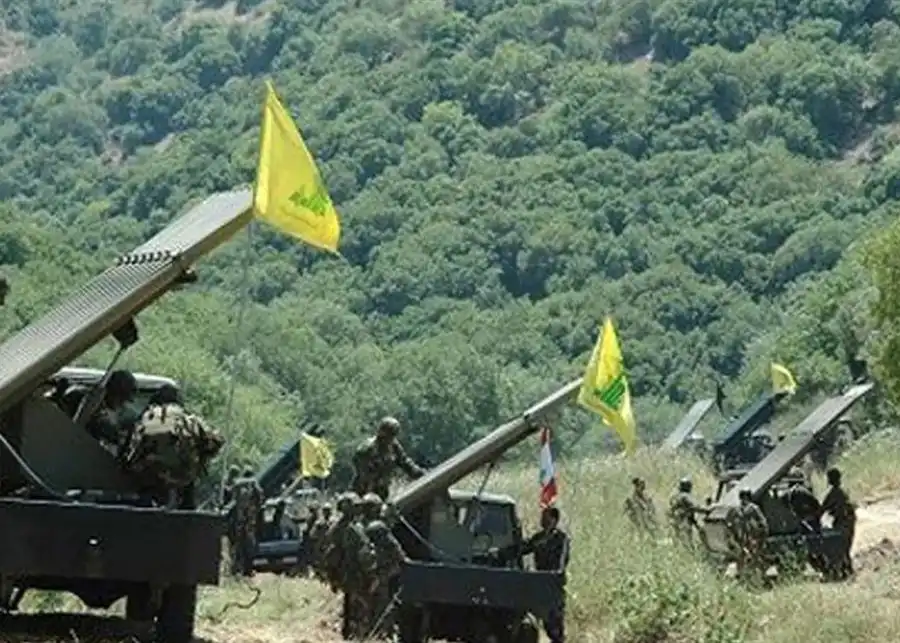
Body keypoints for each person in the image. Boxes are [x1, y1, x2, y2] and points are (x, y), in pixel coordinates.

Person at [123, 384, 224, 508]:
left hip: (151, 480)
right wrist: (200, 460)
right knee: (188, 492)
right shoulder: (188, 419)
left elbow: (130, 452)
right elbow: (215, 442)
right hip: (183, 480)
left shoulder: (145, 418)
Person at [495, 506, 569, 643]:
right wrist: (501, 553)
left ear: (554, 519)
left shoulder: (561, 539)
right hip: (538, 581)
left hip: (552, 584)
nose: (542, 520)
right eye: (542, 517)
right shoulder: (539, 537)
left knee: (554, 626)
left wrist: (554, 575)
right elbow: (524, 548)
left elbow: (562, 562)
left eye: (545, 517)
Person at [322, 493, 378, 639]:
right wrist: (372, 573)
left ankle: (348, 635)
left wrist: (333, 577)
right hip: (356, 574)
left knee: (348, 607)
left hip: (344, 574)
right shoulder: (353, 529)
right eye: (356, 506)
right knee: (360, 610)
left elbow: (330, 554)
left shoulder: (335, 527)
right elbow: (363, 553)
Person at [361, 492, 407, 638]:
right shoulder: (379, 527)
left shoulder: (361, 525)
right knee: (384, 606)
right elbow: (396, 550)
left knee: (369, 605)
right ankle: (383, 634)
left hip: (367, 573)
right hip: (382, 573)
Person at [352, 416, 426, 500]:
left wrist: (421, 474)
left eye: (392, 436)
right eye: (388, 436)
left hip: (382, 491)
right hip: (363, 492)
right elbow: (362, 473)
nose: (389, 440)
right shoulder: (367, 449)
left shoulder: (393, 446)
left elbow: (405, 462)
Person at [85, 369, 139, 457]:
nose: (122, 404)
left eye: (123, 400)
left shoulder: (129, 417)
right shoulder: (92, 409)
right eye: (120, 399)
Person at [819, 467, 856, 580]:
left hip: (842, 522)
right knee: (845, 548)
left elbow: (822, 509)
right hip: (849, 521)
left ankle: (843, 572)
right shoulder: (842, 492)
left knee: (840, 548)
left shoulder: (833, 493)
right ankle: (847, 571)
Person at [725, 488, 768, 580]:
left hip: (752, 536)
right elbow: (729, 521)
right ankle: (740, 575)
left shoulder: (753, 508)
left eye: (745, 497)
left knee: (755, 556)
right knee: (742, 556)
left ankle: (762, 575)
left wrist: (760, 535)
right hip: (742, 537)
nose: (743, 500)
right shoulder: (737, 509)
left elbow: (763, 522)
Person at [229, 470, 264, 577]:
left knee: (238, 545)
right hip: (249, 521)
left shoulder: (238, 484)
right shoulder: (253, 484)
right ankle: (248, 570)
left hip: (239, 521)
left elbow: (232, 500)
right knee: (249, 545)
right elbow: (261, 498)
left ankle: (235, 569)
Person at [667, 478, 709, 548]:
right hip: (683, 521)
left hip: (675, 521)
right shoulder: (685, 496)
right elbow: (694, 507)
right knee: (687, 541)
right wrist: (706, 510)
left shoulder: (675, 496)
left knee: (678, 540)